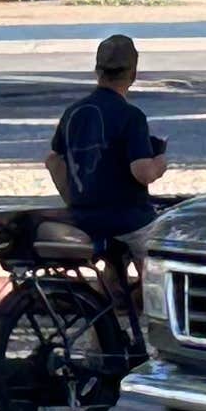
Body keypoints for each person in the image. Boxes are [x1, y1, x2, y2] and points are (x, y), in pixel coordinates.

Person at [44, 33, 170, 284]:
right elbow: (142, 172)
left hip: (83, 217)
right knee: (159, 258)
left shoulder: (73, 112)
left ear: (97, 71)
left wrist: (74, 199)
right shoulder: (131, 116)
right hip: (127, 217)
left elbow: (53, 160)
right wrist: (160, 163)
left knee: (115, 258)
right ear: (132, 73)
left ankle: (110, 304)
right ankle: (152, 305)